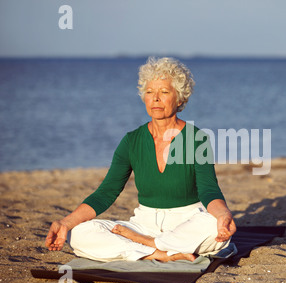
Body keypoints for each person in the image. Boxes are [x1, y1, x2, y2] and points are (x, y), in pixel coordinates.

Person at [45, 57, 236, 263]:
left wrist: (223, 215)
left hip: (186, 221)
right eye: (149, 92)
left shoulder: (196, 139)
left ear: (179, 99)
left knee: (212, 226)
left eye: (164, 92)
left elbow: (209, 190)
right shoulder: (131, 141)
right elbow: (106, 193)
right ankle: (159, 253)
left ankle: (146, 245)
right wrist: (65, 222)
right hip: (144, 223)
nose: (155, 98)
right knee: (80, 232)